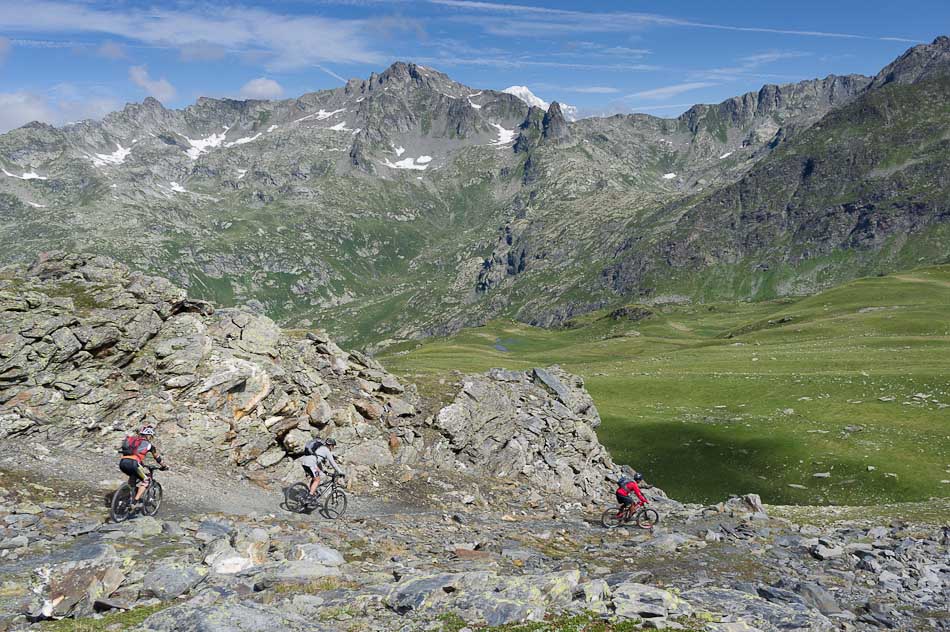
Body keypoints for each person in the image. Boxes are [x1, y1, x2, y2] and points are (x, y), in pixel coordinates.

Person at [119, 425, 168, 511]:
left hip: (122, 462)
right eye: (151, 436)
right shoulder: (149, 445)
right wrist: (164, 466)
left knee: (133, 476)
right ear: (148, 435)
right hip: (134, 463)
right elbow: (158, 458)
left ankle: (127, 496)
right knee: (146, 480)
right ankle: (134, 502)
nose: (151, 438)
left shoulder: (132, 440)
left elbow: (131, 453)